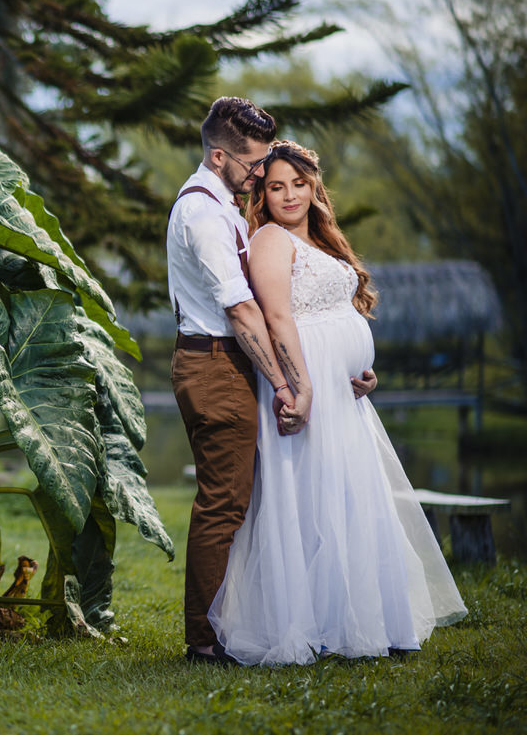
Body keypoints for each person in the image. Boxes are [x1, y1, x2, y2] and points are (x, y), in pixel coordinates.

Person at [207, 140, 468, 665]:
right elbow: (277, 317)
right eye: (276, 186)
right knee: (310, 496)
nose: (288, 195)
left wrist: (362, 369)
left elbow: (339, 312)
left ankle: (356, 617)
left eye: (298, 184)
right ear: (262, 193)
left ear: (314, 187)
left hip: (344, 392)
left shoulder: (322, 241)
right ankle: (312, 621)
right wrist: (301, 387)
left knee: (347, 495)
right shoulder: (270, 240)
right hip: (305, 382)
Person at [167, 97, 306, 665]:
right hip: (214, 364)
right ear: (219, 156)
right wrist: (283, 384)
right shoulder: (202, 215)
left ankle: (227, 621)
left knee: (232, 499)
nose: (259, 174)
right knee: (223, 504)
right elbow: (242, 311)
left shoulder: (221, 204)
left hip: (224, 362)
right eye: (253, 164)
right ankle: (204, 640)